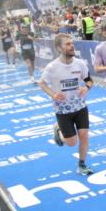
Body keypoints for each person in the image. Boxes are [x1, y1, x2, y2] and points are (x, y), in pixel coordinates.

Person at [39, 34, 94, 176]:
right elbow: (42, 83)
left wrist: (86, 88)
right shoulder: (52, 67)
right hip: (62, 109)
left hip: (80, 106)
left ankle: (82, 164)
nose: (71, 46)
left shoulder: (80, 64)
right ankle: (58, 130)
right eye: (67, 44)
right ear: (59, 48)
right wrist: (53, 95)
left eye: (72, 43)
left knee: (84, 135)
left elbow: (89, 80)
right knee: (71, 142)